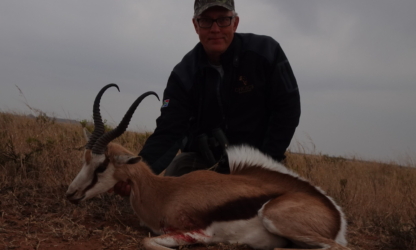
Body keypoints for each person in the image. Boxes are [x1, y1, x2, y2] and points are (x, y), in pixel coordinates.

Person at [114, 0, 301, 195]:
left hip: (260, 163)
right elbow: (169, 131)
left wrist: (265, 162)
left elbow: (287, 109)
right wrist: (136, 174)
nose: (215, 29)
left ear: (235, 23)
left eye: (223, 20)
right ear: (195, 25)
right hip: (207, 165)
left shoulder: (266, 52)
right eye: (206, 21)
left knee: (280, 208)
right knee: (176, 174)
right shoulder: (183, 75)